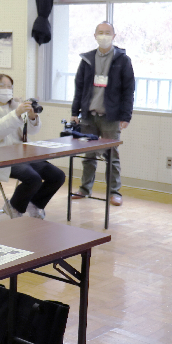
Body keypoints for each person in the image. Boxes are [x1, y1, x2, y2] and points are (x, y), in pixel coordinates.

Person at [0, 73, 64, 219]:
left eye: (10, 87)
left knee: (57, 176)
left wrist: (32, 117)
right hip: (1, 156)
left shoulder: (15, 106)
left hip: (23, 154)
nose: (7, 89)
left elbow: (32, 130)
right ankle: (15, 207)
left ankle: (35, 204)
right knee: (33, 178)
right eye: (2, 86)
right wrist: (16, 114)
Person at [69, 21, 135, 206]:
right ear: (95, 35)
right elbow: (79, 87)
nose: (104, 36)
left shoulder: (123, 60)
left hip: (111, 117)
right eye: (100, 32)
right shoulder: (87, 59)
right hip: (89, 116)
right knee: (88, 156)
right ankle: (84, 188)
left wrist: (126, 116)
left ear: (114, 36)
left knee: (111, 156)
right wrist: (75, 112)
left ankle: (114, 192)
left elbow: (129, 90)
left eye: (107, 33)